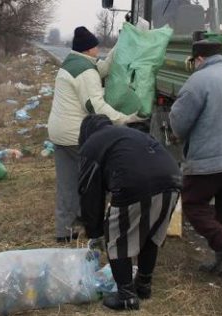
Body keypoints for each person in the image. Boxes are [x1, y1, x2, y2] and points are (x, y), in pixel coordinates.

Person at [169, 40, 222, 279]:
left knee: (193, 204)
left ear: (198, 59)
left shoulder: (199, 81)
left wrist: (177, 135)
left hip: (210, 159)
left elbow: (179, 121)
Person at [77, 115, 182, 311]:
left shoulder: (91, 144)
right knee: (150, 233)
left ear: (85, 134)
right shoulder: (127, 133)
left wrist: (95, 231)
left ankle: (126, 296)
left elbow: (89, 192)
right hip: (172, 179)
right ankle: (143, 286)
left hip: (135, 184)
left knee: (117, 237)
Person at [47, 26, 140, 242]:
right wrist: (124, 119)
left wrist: (122, 43)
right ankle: (92, 229)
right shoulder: (85, 72)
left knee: (67, 183)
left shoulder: (73, 63)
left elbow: (103, 68)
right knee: (92, 184)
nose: (98, 49)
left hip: (59, 132)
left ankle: (65, 230)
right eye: (96, 46)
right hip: (76, 135)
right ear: (89, 49)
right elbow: (95, 105)